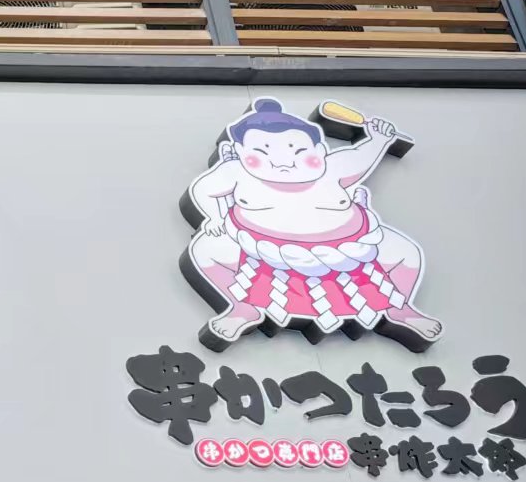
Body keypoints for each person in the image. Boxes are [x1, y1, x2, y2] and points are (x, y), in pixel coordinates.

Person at [184, 98, 441, 347]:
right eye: (263, 152)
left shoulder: (332, 168)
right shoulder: (236, 172)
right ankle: (242, 307)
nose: (282, 161)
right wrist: (215, 217)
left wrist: (378, 140)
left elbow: (360, 158)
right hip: (259, 250)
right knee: (206, 249)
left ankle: (401, 308)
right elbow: (203, 190)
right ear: (241, 152)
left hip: (353, 248)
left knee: (405, 253)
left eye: (298, 151)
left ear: (319, 150)